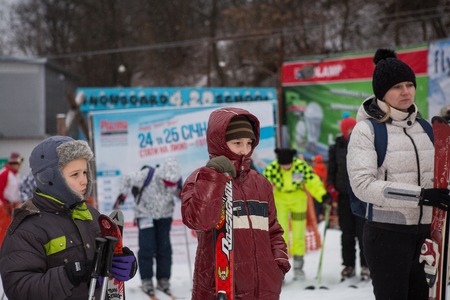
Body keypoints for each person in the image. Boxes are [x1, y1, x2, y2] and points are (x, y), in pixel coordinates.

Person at [347, 48, 450, 299]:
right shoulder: (366, 131)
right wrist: (420, 195)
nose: (405, 92)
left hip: (429, 233)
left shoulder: (427, 128)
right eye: (396, 87)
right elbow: (363, 185)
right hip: (387, 235)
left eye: (409, 85)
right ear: (382, 93)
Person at [0, 136, 137, 299]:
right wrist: (68, 274)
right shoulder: (28, 229)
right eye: (75, 174)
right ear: (49, 179)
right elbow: (19, 289)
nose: (84, 181)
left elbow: (102, 263)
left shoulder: (91, 215)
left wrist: (122, 262)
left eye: (85, 172)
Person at [181, 107, 290, 299]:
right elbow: (199, 221)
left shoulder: (260, 183)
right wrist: (214, 178)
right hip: (220, 288)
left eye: (249, 143)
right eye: (237, 143)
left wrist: (278, 266)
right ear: (219, 143)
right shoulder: (200, 179)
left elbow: (273, 230)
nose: (244, 150)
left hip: (264, 289)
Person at [116, 157, 182, 297]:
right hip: (145, 215)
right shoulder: (147, 174)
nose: (171, 186)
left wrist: (184, 196)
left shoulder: (176, 180)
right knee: (147, 248)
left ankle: (163, 280)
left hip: (165, 216)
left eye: (173, 183)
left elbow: (179, 192)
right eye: (168, 183)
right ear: (162, 175)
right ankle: (146, 281)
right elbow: (126, 178)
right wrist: (123, 195)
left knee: (164, 248)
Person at [263, 148, 331, 280]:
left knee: (298, 233)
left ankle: (299, 267)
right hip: (280, 199)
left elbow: (313, 181)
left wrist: (322, 195)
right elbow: (263, 183)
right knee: (280, 234)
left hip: (298, 198)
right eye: (283, 165)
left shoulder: (300, 166)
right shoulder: (273, 168)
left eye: (288, 164)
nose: (286, 167)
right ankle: (280, 268)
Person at [327, 116, 369, 281]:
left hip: (361, 196)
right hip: (343, 196)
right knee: (347, 233)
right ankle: (348, 265)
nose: (351, 133)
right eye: (348, 130)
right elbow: (332, 169)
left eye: (353, 129)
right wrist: (330, 186)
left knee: (363, 232)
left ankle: (366, 265)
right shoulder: (337, 146)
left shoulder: (363, 144)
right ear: (344, 131)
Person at [0, 152, 24, 247]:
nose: (20, 166)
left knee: (10, 227)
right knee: (4, 228)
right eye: (18, 163)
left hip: (11, 205)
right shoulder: (5, 173)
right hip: (3, 205)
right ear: (13, 164)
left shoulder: (15, 174)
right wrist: (6, 204)